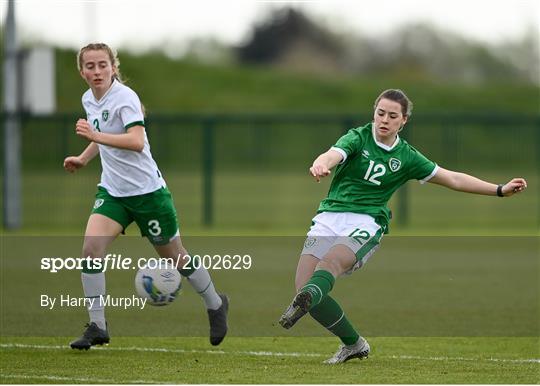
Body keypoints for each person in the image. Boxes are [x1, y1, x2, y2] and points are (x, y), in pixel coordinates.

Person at [278, 89, 528, 364]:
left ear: (404, 121)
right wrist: (319, 165)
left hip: (367, 222)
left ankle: (308, 298)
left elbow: (453, 178)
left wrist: (500, 190)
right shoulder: (358, 137)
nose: (384, 120)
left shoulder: (407, 157)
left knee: (329, 265)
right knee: (304, 286)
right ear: (374, 113)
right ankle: (354, 344)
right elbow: (331, 154)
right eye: (380, 113)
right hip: (329, 218)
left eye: (392, 115)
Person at [64, 43, 228, 350]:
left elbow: (136, 141)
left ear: (113, 67)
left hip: (148, 194)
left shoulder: (125, 98)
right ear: (82, 71)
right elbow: (101, 135)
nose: (97, 71)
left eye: (103, 65)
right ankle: (98, 325)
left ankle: (216, 303)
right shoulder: (89, 98)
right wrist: (84, 158)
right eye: (90, 66)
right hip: (113, 192)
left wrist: (95, 136)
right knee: (90, 249)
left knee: (176, 257)